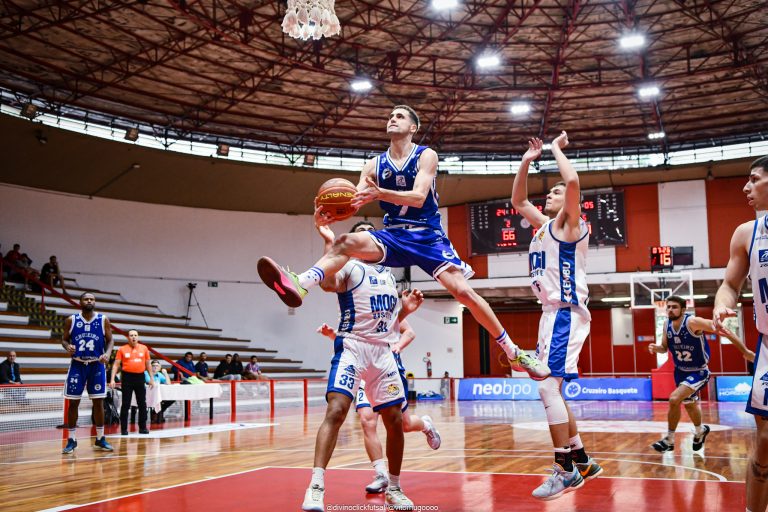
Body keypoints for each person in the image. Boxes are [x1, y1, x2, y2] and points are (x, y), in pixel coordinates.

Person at [257, 105, 548, 381]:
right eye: (390, 116)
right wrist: (330, 214)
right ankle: (301, 282)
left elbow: (419, 197)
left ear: (413, 127)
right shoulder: (373, 165)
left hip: (427, 235)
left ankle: (514, 353)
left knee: (463, 293)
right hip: (394, 234)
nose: (392, 119)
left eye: (399, 116)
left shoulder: (426, 155)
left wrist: (380, 193)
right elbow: (354, 201)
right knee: (344, 241)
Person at [302, 219, 424, 511]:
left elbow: (387, 325)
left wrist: (404, 312)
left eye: (372, 232)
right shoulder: (349, 265)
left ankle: (394, 488)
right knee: (336, 410)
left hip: (382, 353)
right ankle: (316, 486)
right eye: (361, 232)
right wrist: (329, 242)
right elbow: (327, 283)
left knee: (395, 420)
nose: (367, 236)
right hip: (353, 347)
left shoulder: (389, 275)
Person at [511, 133, 601, 500]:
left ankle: (565, 470)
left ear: (570, 202)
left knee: (547, 387)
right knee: (555, 391)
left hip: (565, 313)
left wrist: (555, 150)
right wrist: (526, 160)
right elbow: (518, 200)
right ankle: (582, 460)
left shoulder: (571, 226)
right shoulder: (544, 227)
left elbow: (574, 181)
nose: (550, 194)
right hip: (551, 315)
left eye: (557, 192)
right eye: (550, 191)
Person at [317, 311, 441, 495]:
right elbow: (354, 340)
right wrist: (332, 335)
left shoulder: (385, 306)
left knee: (405, 425)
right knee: (367, 420)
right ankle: (381, 474)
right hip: (362, 369)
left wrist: (398, 346)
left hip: (387, 369)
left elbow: (409, 332)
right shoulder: (352, 308)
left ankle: (426, 425)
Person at [713, 155, 768, 512]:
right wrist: (722, 303)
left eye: (754, 179)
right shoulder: (747, 233)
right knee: (764, 446)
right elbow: (730, 285)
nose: (746, 187)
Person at [648, 296, 752, 453]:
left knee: (674, 399)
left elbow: (722, 329)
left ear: (683, 310)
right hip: (680, 372)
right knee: (690, 405)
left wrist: (745, 351)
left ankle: (669, 440)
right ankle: (700, 430)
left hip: (698, 371)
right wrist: (658, 348)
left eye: (674, 307)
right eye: (668, 307)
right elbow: (664, 347)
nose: (670, 310)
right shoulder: (666, 324)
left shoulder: (693, 322)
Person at [60, 292, 114, 454]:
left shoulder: (103, 319)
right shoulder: (71, 320)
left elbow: (110, 340)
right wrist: (67, 346)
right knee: (73, 403)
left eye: (92, 299)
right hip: (77, 364)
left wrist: (107, 354)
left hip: (97, 364)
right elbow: (64, 339)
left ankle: (100, 438)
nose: (89, 301)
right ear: (80, 302)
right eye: (86, 299)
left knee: (98, 403)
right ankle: (71, 439)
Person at [110, 329, 155, 435]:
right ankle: (124, 429)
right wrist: (112, 379)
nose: (133, 337)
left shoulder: (144, 348)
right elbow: (116, 365)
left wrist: (151, 378)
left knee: (142, 403)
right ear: (128, 337)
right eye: (131, 335)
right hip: (127, 377)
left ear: (138, 337)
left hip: (140, 377)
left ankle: (142, 427)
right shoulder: (122, 349)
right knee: (126, 404)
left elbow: (148, 364)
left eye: (135, 335)